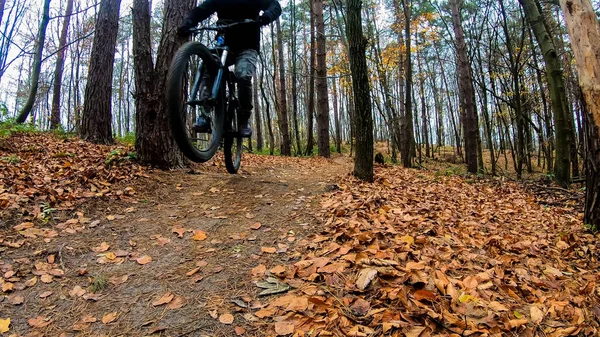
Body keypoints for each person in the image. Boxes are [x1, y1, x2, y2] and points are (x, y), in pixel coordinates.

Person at [177, 0, 282, 137]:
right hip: (223, 45)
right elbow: (202, 10)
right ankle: (204, 115)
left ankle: (244, 118)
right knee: (208, 69)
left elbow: (274, 5)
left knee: (243, 75)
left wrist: (266, 16)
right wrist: (188, 22)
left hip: (248, 46)